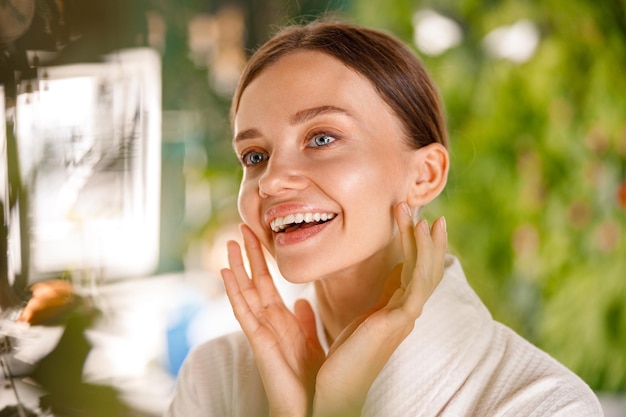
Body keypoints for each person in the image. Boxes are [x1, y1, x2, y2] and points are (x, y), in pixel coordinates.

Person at [165, 19, 603, 417]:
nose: (272, 181)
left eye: (321, 137)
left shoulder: (543, 404)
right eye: (255, 156)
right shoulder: (214, 379)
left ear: (424, 176)